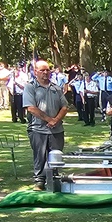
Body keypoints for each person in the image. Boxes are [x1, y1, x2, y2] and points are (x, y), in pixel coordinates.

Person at [23, 60, 69, 191]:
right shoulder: (30, 87)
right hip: (38, 129)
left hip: (57, 129)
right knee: (40, 157)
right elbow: (31, 108)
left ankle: (54, 180)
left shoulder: (56, 88)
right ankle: (39, 182)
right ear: (35, 72)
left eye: (47, 70)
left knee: (56, 156)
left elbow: (65, 106)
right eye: (42, 70)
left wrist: (56, 120)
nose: (45, 72)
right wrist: (49, 119)